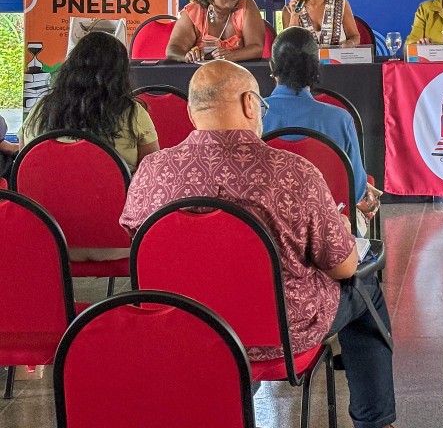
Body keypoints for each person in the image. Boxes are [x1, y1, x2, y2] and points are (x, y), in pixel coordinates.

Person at [120, 60, 396, 428]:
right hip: (282, 335)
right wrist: (341, 230)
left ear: (192, 112)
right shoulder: (294, 173)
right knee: (364, 286)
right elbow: (342, 266)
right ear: (250, 103)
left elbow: (140, 241)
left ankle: (226, 406)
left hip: (183, 330)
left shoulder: (151, 172)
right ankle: (374, 421)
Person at [262, 27, 379, 232]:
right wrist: (364, 187)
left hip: (269, 228)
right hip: (329, 228)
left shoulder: (252, 115)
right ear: (316, 68)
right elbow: (355, 189)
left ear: (272, 66)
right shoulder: (340, 118)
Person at [19, 30, 158, 174]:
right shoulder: (133, 113)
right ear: (121, 73)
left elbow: (23, 159)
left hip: (44, 188)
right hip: (112, 188)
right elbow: (151, 170)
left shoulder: (41, 108)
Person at [166, 0, 265, 63]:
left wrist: (233, 55)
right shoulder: (193, 13)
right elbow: (173, 50)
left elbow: (257, 48)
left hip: (240, 70)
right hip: (201, 71)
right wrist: (188, 56)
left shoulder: (246, 6)